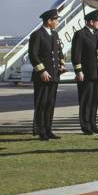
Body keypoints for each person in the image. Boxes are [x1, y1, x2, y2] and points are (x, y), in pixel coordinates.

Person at [28, 8, 66, 140]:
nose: (57, 22)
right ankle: (40, 130)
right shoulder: (37, 35)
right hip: (42, 76)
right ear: (49, 21)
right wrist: (42, 70)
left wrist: (62, 63)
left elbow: (59, 51)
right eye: (56, 19)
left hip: (54, 75)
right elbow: (33, 55)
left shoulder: (54, 34)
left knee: (50, 103)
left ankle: (48, 129)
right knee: (41, 103)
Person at [71, 10, 98, 135]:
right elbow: (76, 55)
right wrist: (78, 71)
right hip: (86, 73)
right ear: (91, 22)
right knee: (86, 100)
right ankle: (85, 125)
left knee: (95, 100)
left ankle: (93, 124)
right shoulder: (80, 34)